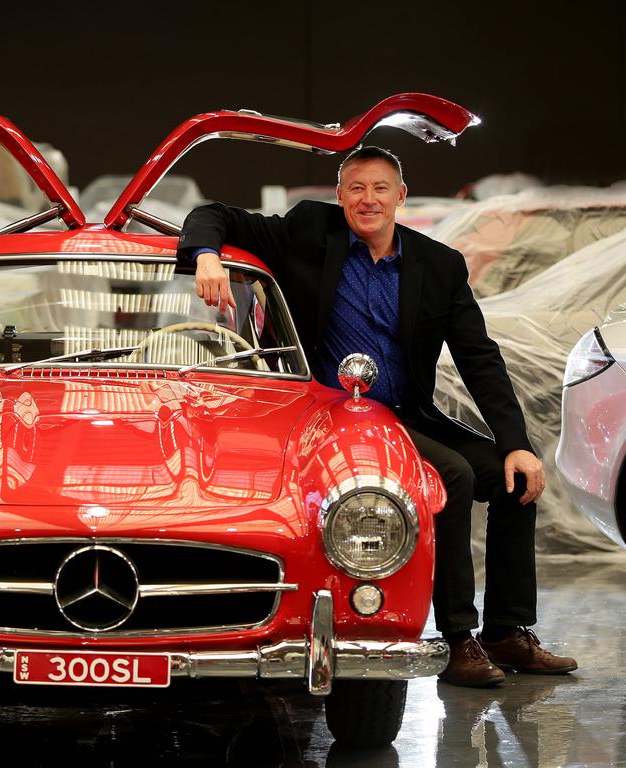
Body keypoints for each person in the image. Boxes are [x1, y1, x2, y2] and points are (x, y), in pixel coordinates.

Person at [176, 146, 577, 687]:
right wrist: (204, 254)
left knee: (512, 478)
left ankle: (507, 631)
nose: (368, 200)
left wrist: (517, 441)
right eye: (357, 188)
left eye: (380, 188)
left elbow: (479, 357)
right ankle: (459, 638)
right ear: (340, 196)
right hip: (329, 418)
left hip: (405, 415)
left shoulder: (438, 266)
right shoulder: (307, 230)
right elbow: (215, 214)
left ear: (400, 196)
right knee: (452, 476)